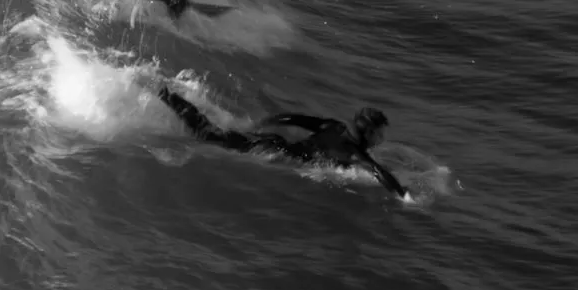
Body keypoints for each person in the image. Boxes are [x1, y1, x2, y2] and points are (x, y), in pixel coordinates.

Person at [156, 86, 408, 198]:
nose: (383, 138)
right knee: (206, 134)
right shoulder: (352, 151)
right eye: (381, 133)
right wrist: (405, 196)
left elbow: (294, 118)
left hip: (275, 142)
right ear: (371, 133)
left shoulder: (336, 126)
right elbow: (378, 171)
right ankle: (166, 95)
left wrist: (267, 122)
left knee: (213, 133)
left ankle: (169, 96)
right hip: (273, 149)